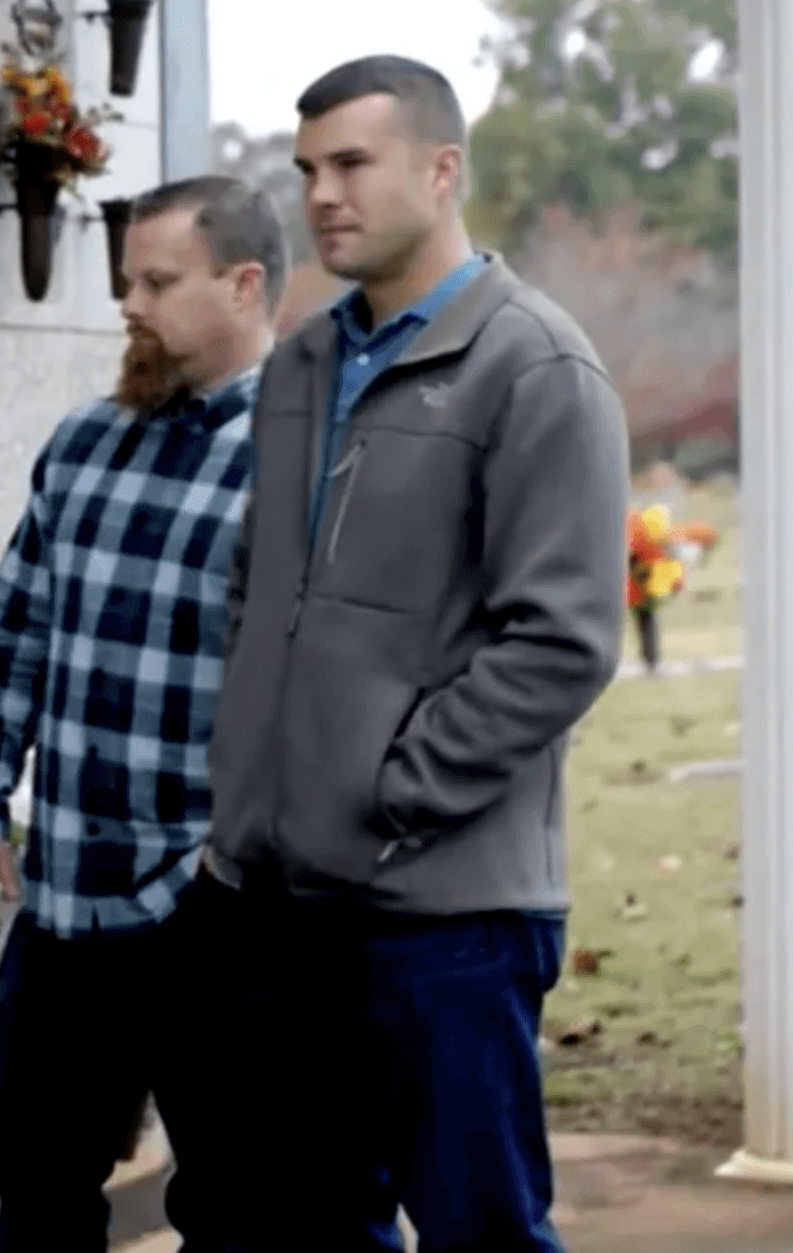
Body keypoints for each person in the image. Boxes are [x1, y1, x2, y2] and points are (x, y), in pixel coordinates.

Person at [172, 55, 628, 1252]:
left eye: (352, 164)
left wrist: (389, 787)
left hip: (449, 914)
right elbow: (253, 589)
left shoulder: (537, 367)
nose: (319, 193)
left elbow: (564, 640)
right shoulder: (305, 362)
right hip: (278, 900)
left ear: (441, 170)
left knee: (481, 1230)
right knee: (307, 1224)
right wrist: (253, 783)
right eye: (308, 167)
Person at [0, 174, 287, 1253]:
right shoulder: (85, 441)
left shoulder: (304, 459)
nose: (129, 302)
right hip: (65, 904)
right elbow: (18, 627)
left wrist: (232, 853)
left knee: (234, 1206)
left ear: (243, 283)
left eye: (156, 279)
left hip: (210, 908)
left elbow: (323, 689)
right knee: (36, 1192)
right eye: (127, 277)